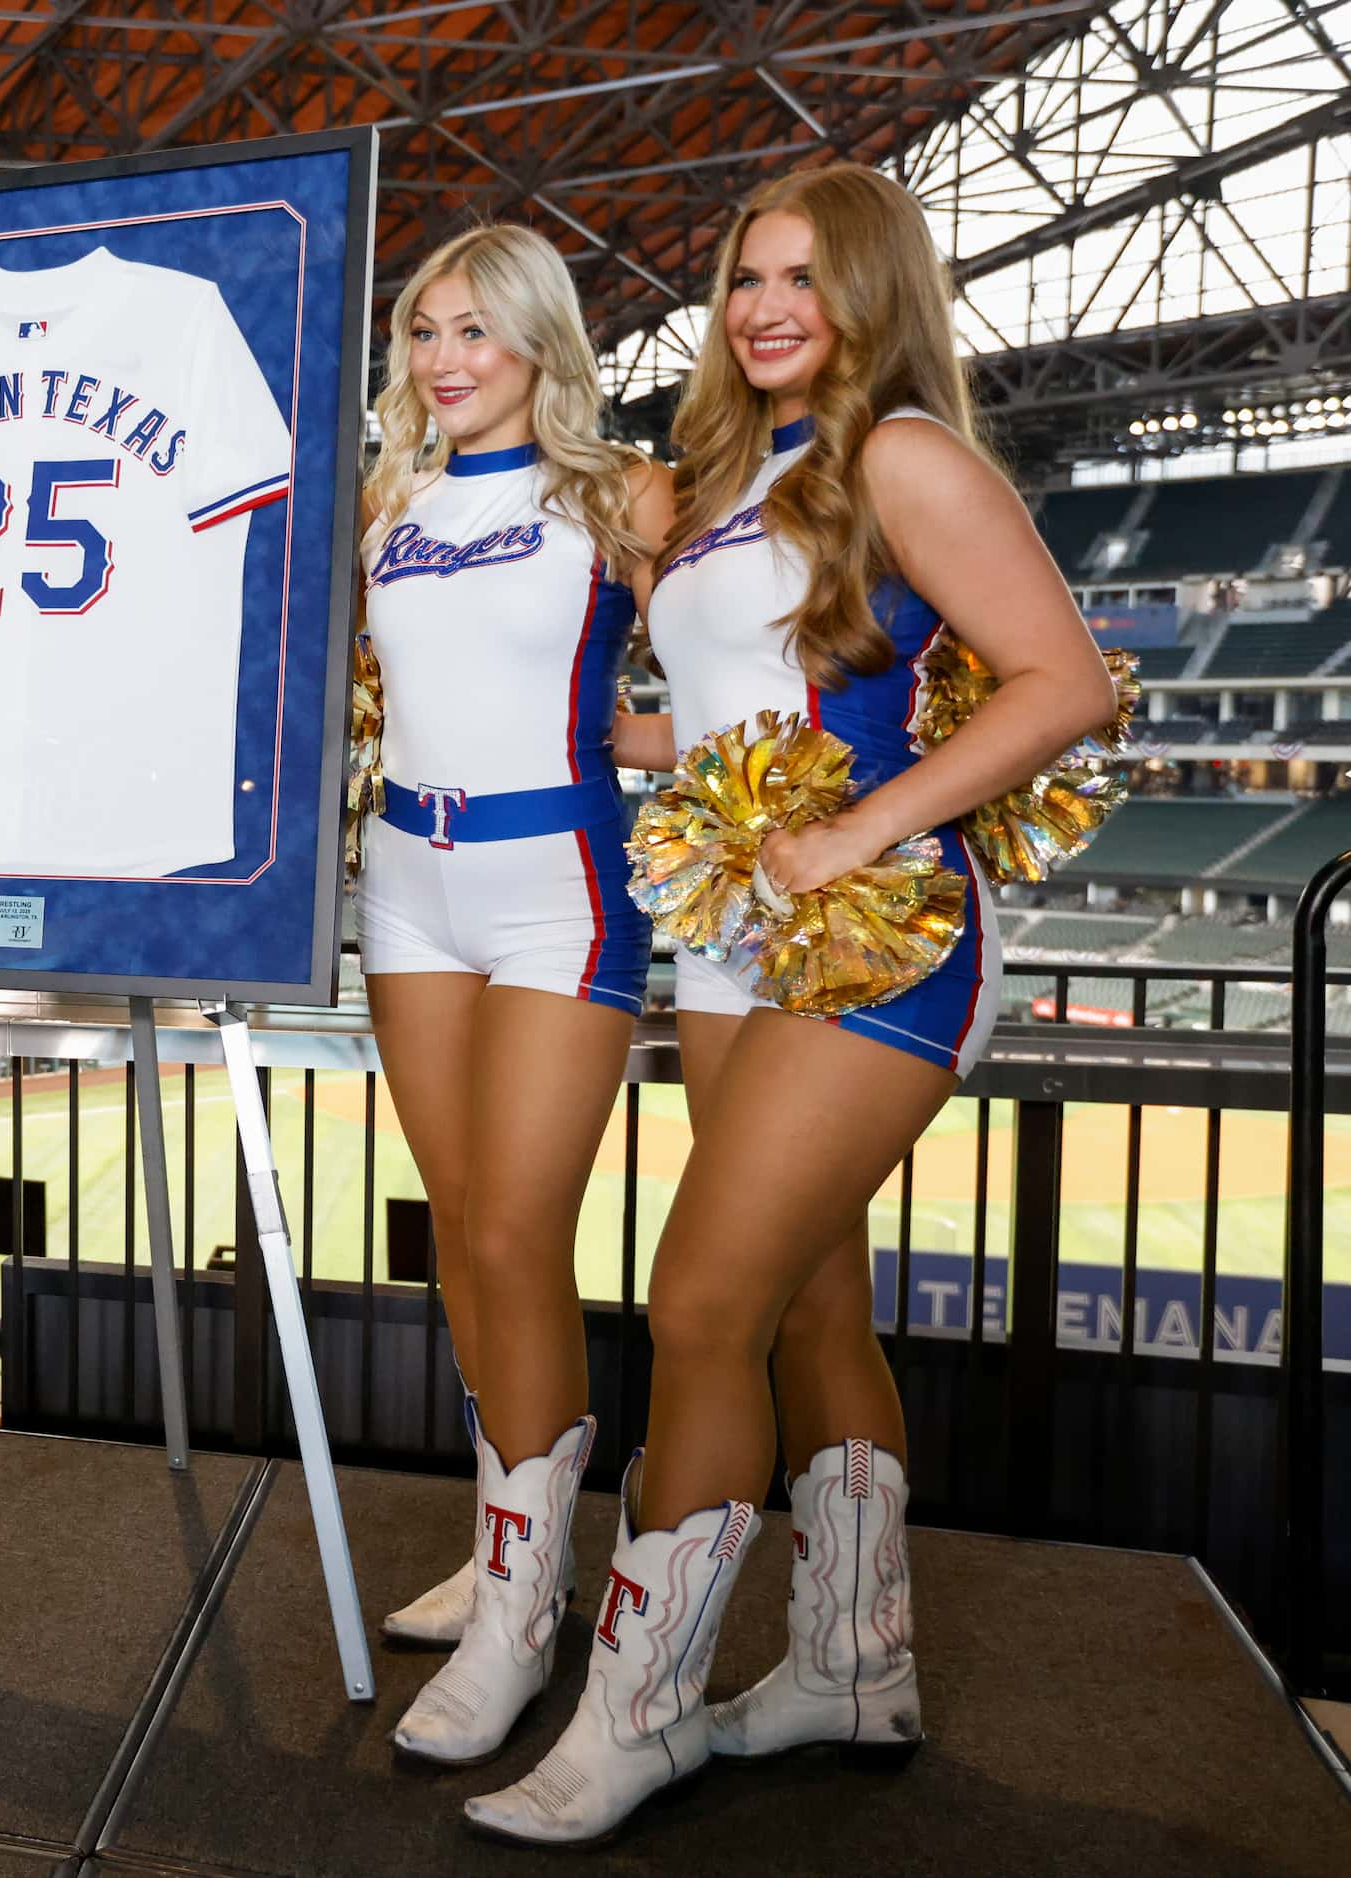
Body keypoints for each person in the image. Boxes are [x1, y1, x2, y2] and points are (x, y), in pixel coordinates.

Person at [468, 165, 1116, 1845]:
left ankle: (641, 1709)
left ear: (873, 296)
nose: (762, 306)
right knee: (813, 1309)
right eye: (745, 274)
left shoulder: (902, 454)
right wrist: (649, 752)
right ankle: (851, 1661)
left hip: (879, 938)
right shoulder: (743, 470)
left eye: (803, 280)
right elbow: (754, 690)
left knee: (697, 1307)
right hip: (731, 934)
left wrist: (857, 826)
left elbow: (1066, 678)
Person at [353, 225, 671, 1767]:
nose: (445, 360)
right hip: (405, 881)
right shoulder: (388, 497)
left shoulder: (623, 495)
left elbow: (754, 653)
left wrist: (682, 755)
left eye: (476, 330)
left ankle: (521, 1617)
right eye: (424, 332)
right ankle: (512, 1552)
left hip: (558, 884)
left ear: (541, 341)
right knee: (458, 1225)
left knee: (509, 1232)